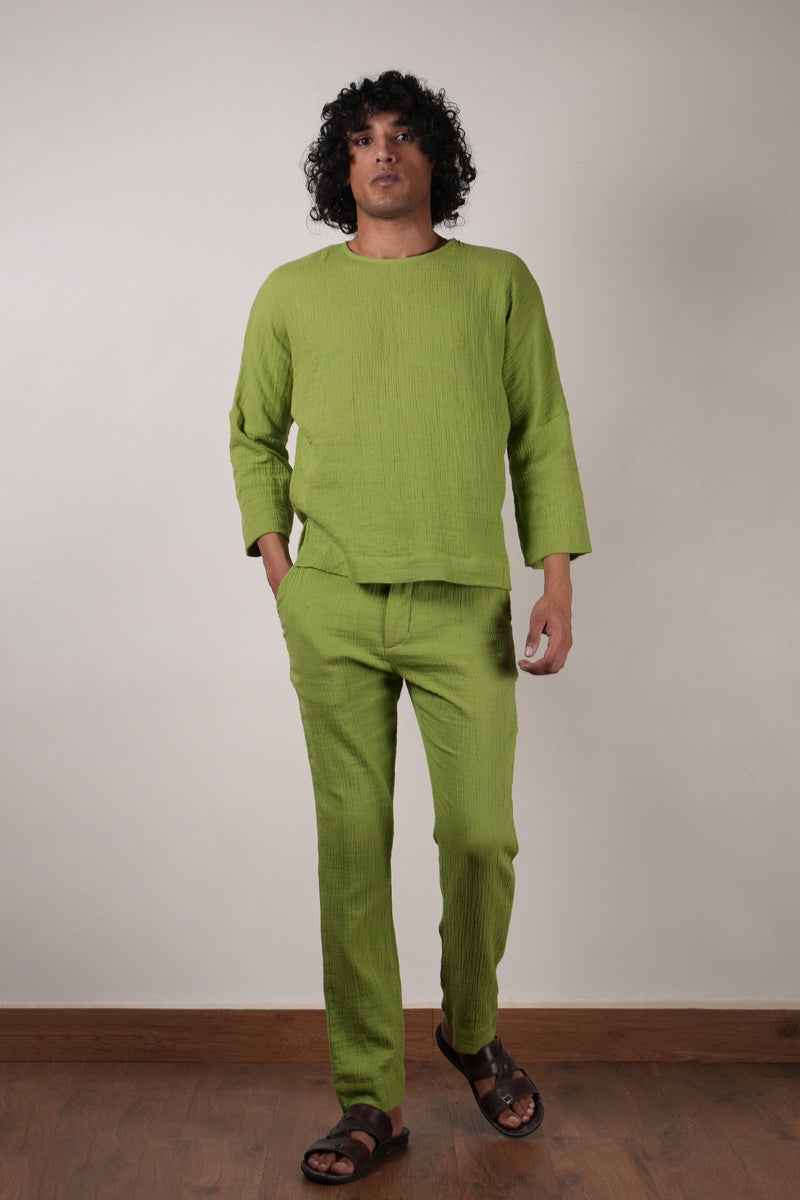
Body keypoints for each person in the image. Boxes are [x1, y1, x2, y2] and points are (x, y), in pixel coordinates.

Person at [228, 69, 591, 1185]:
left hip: (463, 604)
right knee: (352, 848)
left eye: (401, 135)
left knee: (479, 836)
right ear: (339, 168)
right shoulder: (292, 292)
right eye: (360, 139)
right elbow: (252, 436)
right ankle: (368, 1099)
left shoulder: (497, 284)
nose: (381, 153)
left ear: (437, 157)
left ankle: (470, 1029)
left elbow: (539, 434)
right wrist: (285, 575)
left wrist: (555, 581)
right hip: (332, 607)